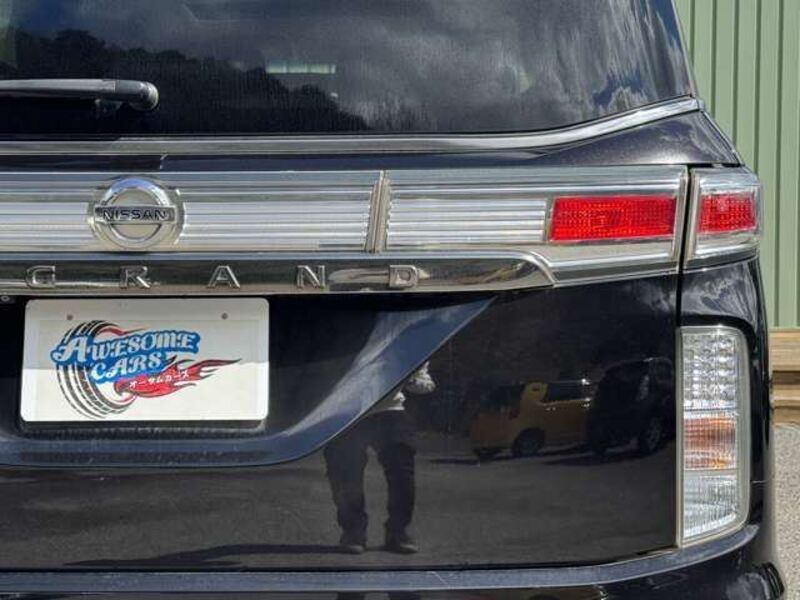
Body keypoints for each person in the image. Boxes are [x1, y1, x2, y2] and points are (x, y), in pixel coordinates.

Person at [324, 362, 435, 555]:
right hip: (346, 411)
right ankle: (353, 532)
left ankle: (397, 532)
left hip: (390, 410)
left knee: (402, 473)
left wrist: (408, 378)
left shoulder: (403, 346)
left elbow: (426, 383)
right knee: (345, 472)